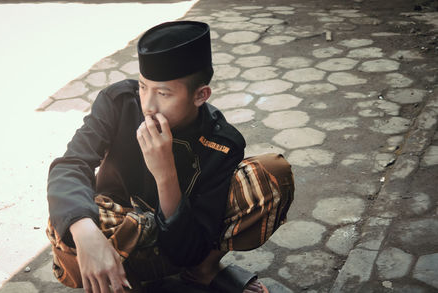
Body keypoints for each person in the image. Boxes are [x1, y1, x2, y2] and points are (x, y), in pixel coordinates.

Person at [46, 21, 294, 293]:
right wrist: (86, 234)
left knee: (272, 173)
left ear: (201, 95)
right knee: (69, 219)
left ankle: (203, 272)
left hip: (182, 246)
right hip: (118, 237)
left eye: (163, 93)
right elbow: (70, 165)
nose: (148, 105)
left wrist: (165, 174)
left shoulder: (222, 143)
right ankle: (125, 282)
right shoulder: (118, 103)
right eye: (143, 87)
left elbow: (187, 250)